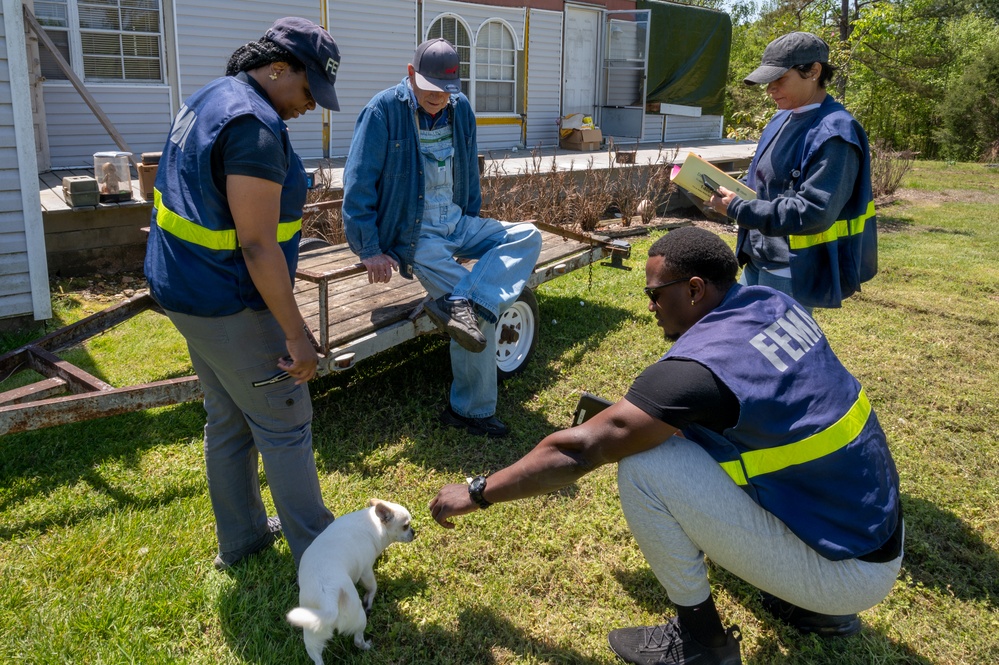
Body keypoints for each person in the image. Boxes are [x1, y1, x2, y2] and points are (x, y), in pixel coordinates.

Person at [429, 227, 903, 665]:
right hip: (874, 533)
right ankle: (811, 608)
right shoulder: (774, 304)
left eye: (655, 294)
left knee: (645, 464)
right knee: (682, 442)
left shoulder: (696, 374)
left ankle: (703, 644)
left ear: (695, 289)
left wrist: (476, 492)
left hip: (846, 573)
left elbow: (577, 452)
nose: (650, 306)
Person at [144, 17, 342, 571]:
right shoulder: (253, 127)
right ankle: (323, 562)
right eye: (308, 90)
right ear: (278, 67)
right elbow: (258, 247)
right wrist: (297, 335)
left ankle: (243, 539)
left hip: (186, 291)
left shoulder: (211, 97)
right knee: (285, 424)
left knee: (229, 418)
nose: (310, 105)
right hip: (230, 301)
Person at [342, 38, 542, 439]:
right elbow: (358, 185)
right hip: (415, 238)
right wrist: (370, 249)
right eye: (430, 90)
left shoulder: (460, 109)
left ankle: (464, 302)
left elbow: (468, 169)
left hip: (456, 221)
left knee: (528, 235)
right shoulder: (382, 112)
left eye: (446, 93)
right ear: (412, 74)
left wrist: (471, 219)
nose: (438, 100)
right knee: (478, 324)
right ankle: (470, 411)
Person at [707, 32, 877, 310]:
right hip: (757, 259)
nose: (770, 89)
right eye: (767, 81)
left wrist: (739, 209)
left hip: (790, 269)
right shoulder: (781, 118)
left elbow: (813, 211)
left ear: (813, 71)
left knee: (777, 352)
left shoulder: (836, 133)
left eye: (780, 79)